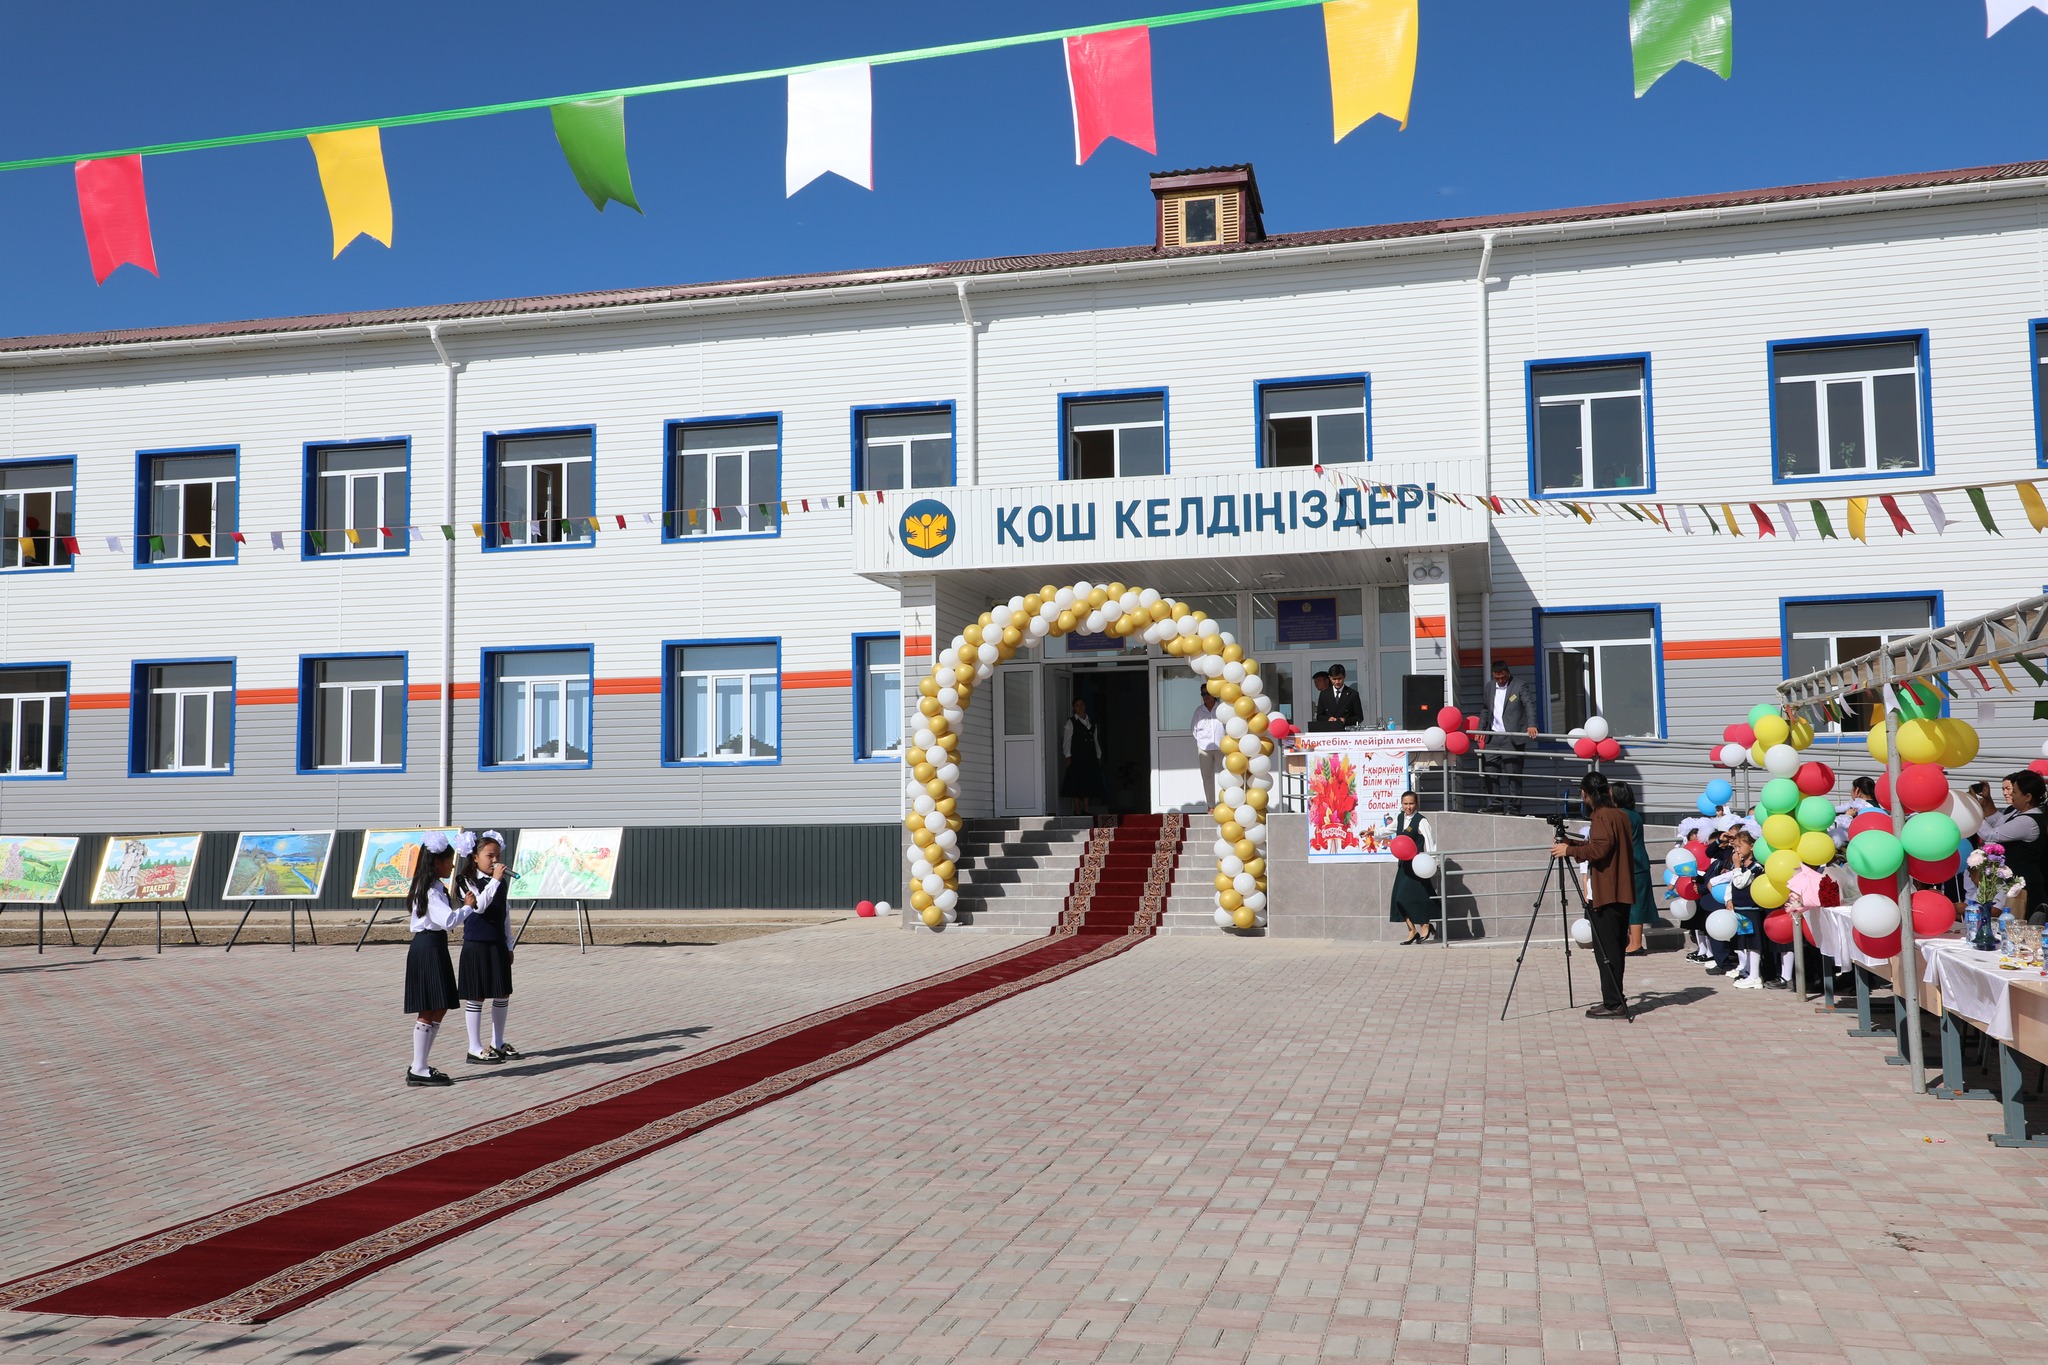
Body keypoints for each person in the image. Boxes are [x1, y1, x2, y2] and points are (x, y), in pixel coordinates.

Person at [1551, 771, 1636, 1018]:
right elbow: (1603, 846)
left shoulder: (1600, 815)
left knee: (1606, 952)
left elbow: (1600, 849)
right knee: (1614, 948)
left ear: (1584, 794)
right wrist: (1571, 844)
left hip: (1607, 892)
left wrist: (1569, 851)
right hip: (1621, 890)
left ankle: (1613, 1003)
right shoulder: (1619, 814)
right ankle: (1615, 998)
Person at [404, 830, 479, 1087]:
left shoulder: (437, 886)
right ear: (436, 863)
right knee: (428, 1007)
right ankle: (419, 1067)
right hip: (427, 947)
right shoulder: (429, 890)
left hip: (435, 946)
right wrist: (467, 907)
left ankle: (421, 1064)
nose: (451, 866)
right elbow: (447, 920)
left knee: (440, 1005)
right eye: (448, 862)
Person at [456, 830, 519, 1065]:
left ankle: (498, 1042)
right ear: (475, 857)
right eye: (489, 856)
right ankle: (474, 1047)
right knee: (477, 994)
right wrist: (495, 881)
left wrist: (509, 944)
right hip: (476, 944)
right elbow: (479, 906)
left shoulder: (499, 882)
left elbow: (505, 915)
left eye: (497, 856)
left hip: (497, 943)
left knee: (502, 992)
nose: (495, 860)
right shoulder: (465, 881)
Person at [1981, 770, 2048, 922]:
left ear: (2028, 797)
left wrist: (1974, 815)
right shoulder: (2017, 813)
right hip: (2015, 885)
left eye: (2015, 791)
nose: (2011, 794)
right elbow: (1997, 822)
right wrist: (1987, 801)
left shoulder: (2028, 821)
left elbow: (1991, 834)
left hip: (2026, 887)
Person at [1480, 660, 1538, 815]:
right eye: (1497, 678)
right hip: (1493, 736)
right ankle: (1495, 804)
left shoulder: (1519, 685)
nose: (1500, 681)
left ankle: (1514, 807)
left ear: (1508, 673)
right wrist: (1481, 729)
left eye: (1503, 677)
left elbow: (1529, 705)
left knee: (1513, 773)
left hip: (1512, 736)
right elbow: (1485, 709)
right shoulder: (1489, 686)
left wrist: (1532, 725)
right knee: (1490, 771)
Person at [1612, 781, 1657, 956]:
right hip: (1637, 863)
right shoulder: (1634, 815)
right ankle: (1633, 942)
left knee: (1635, 905)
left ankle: (1636, 943)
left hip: (1633, 865)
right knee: (1634, 903)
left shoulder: (1623, 815)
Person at [1389, 791, 1438, 944]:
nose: (1408, 807)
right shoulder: (1400, 818)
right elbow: (1389, 829)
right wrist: (1373, 832)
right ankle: (1412, 930)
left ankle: (1425, 925)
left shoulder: (1421, 821)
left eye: (1411, 803)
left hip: (1417, 866)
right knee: (1398, 899)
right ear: (1401, 804)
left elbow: (1430, 843)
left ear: (1416, 804)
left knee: (1417, 897)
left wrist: (1433, 862)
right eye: (1405, 804)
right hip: (1404, 866)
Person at [1061, 696, 1104, 817]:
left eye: (1082, 705)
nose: (1080, 707)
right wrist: (1067, 756)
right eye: (1077, 706)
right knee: (1076, 781)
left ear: (1085, 706)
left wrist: (1098, 755)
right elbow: (1067, 740)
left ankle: (1086, 809)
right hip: (1077, 757)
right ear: (1074, 708)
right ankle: (1077, 809)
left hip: (1090, 756)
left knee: (1088, 781)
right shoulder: (1071, 722)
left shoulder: (1092, 722)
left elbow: (1095, 740)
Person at [1191, 693, 1225, 809]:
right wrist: (1202, 741)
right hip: (1204, 748)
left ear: (1213, 695)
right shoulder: (1199, 711)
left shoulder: (1222, 709)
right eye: (1203, 694)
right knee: (1207, 777)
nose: (1206, 696)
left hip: (1222, 747)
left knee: (1225, 776)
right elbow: (1194, 730)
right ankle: (1211, 806)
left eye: (1208, 693)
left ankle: (1226, 804)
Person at [1316, 664, 1364, 731]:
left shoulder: (1353, 694)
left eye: (1339, 678)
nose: (1337, 682)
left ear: (1344, 676)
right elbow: (1319, 716)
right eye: (1334, 679)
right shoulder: (1324, 694)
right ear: (1330, 678)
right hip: (1329, 731)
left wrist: (1345, 720)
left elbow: (1359, 717)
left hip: (1347, 731)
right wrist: (1328, 719)